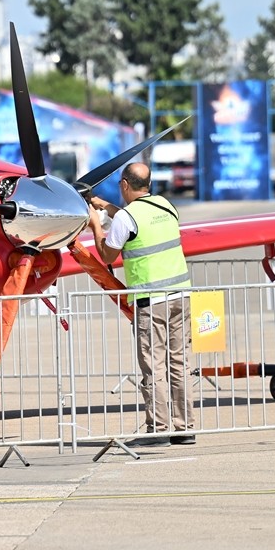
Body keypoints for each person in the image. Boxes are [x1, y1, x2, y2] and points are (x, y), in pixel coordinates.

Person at [88, 162, 195, 448]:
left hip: (152, 302)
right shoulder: (166, 206)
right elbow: (135, 219)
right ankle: (184, 428)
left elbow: (107, 255)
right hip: (180, 297)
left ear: (125, 184)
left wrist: (96, 224)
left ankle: (157, 429)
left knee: (154, 366)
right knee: (179, 363)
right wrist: (108, 207)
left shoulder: (126, 218)